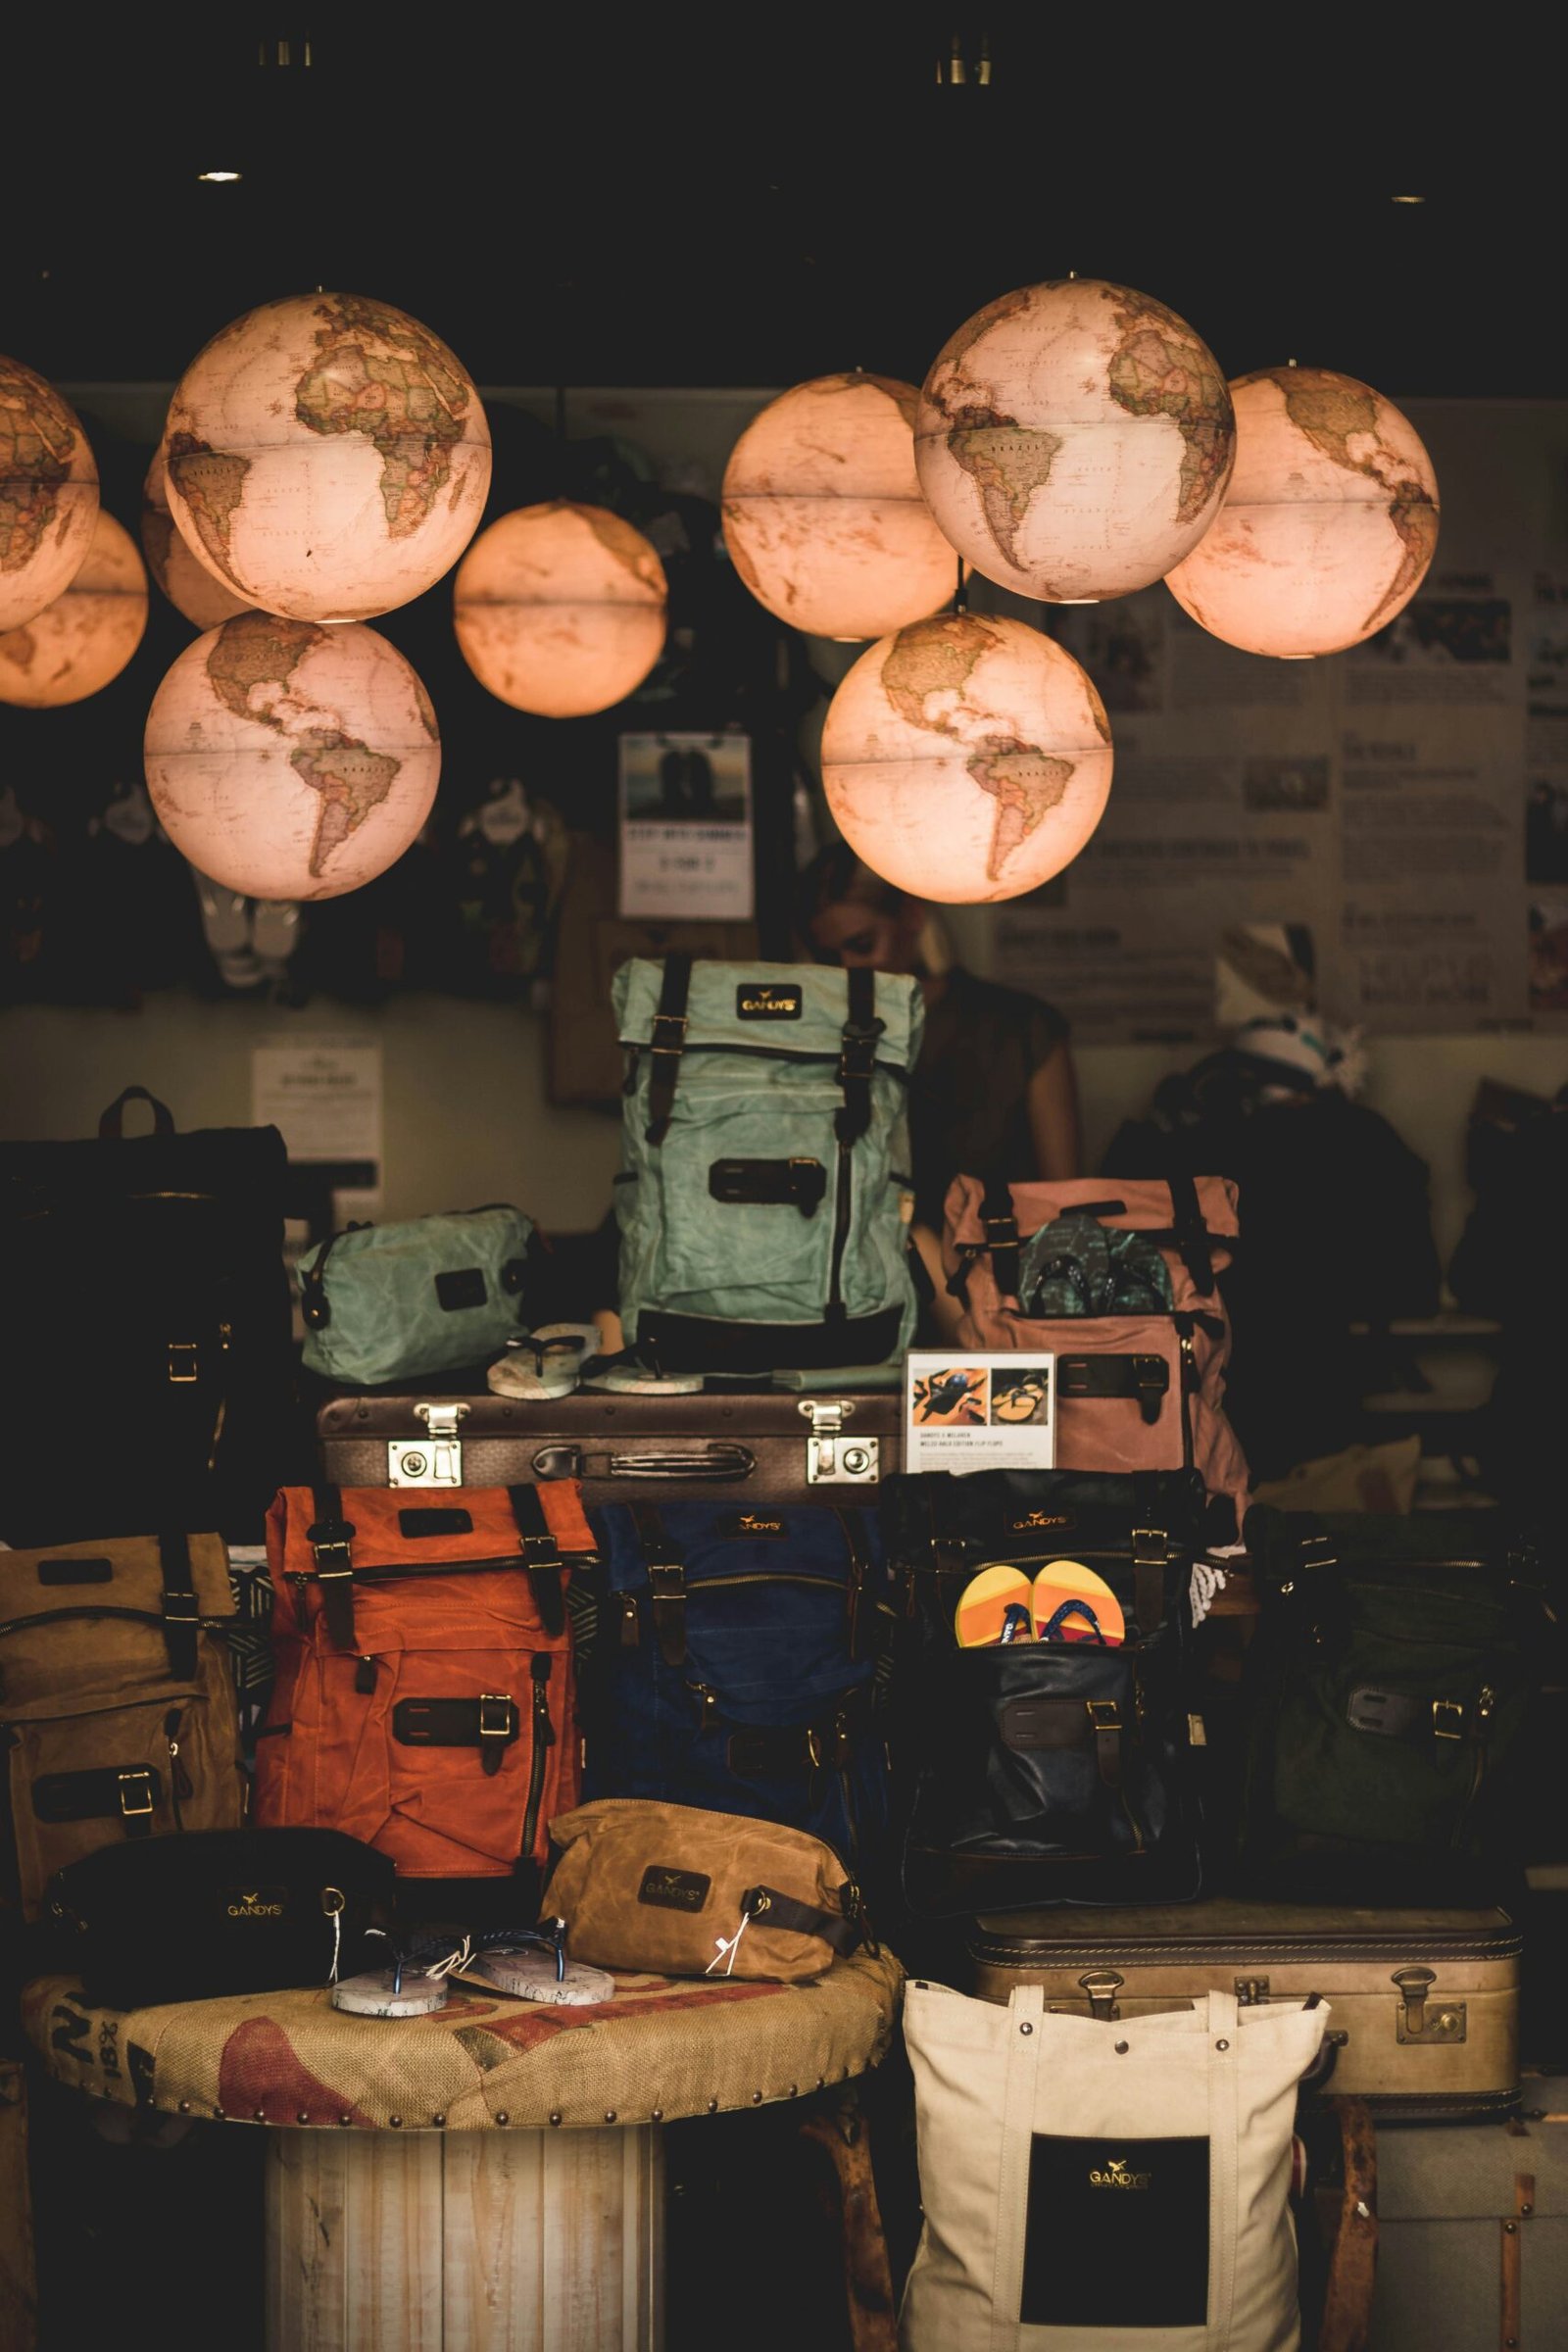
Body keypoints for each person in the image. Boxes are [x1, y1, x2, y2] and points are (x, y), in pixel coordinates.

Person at [796, 847, 1081, 1326]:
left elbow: (1065, 1199)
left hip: (1004, 1280)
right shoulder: (818, 1042)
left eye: (862, 945)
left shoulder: (1019, 1028)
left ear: (911, 916)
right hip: (862, 1286)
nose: (847, 970)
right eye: (828, 957)